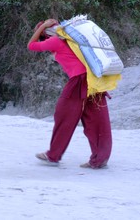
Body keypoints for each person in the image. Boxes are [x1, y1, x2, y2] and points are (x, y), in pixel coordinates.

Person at [27, 19, 112, 169]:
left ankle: (53, 155)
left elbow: (31, 46)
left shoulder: (54, 41)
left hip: (79, 81)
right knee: (97, 120)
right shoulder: (70, 41)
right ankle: (100, 159)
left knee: (64, 116)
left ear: (45, 34)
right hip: (93, 80)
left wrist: (43, 27)